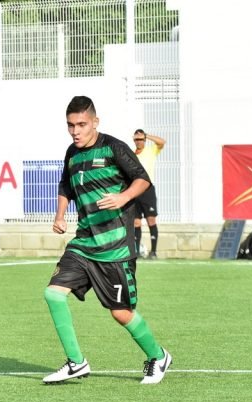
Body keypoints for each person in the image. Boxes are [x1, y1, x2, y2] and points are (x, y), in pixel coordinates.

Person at [43, 96, 172, 385]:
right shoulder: (72, 154)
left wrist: (123, 197)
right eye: (70, 125)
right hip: (84, 242)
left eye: (81, 124)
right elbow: (66, 184)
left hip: (114, 247)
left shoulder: (114, 147)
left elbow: (142, 179)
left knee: (121, 313)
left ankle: (158, 356)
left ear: (95, 122)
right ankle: (76, 362)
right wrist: (60, 214)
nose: (75, 131)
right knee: (53, 294)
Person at [132, 129, 166, 259]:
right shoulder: (132, 154)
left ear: (144, 140)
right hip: (135, 190)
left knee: (151, 219)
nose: (139, 141)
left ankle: (153, 251)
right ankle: (136, 251)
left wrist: (147, 135)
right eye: (137, 139)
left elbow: (162, 142)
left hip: (147, 190)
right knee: (136, 222)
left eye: (141, 139)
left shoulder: (151, 150)